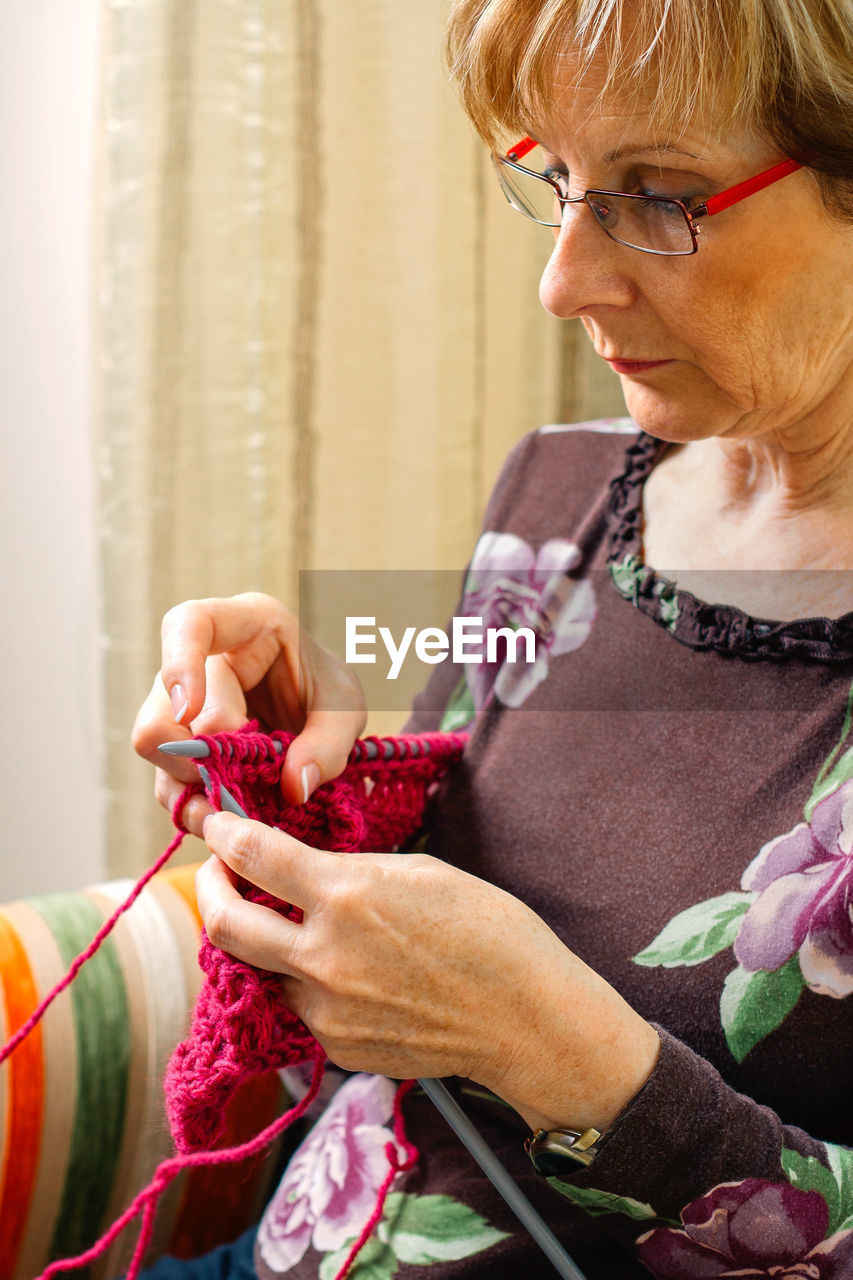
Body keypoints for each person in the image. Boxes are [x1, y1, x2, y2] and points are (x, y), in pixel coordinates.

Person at [132, 0, 853, 1275]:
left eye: (657, 195)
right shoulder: (563, 492)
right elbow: (461, 897)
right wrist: (313, 771)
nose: (563, 280)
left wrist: (566, 1057)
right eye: (558, 180)